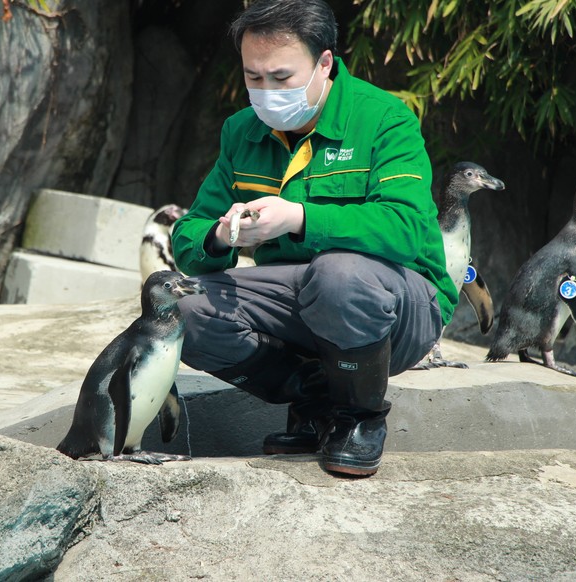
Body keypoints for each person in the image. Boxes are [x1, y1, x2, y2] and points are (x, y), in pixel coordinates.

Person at [171, 0, 458, 477]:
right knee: (180, 312)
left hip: (396, 308)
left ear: (324, 62)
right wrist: (221, 236)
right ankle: (317, 402)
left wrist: (300, 218)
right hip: (301, 303)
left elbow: (407, 229)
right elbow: (188, 238)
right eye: (253, 77)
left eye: (281, 77)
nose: (265, 92)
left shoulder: (384, 118)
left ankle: (358, 419)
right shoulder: (241, 132)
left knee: (337, 274)